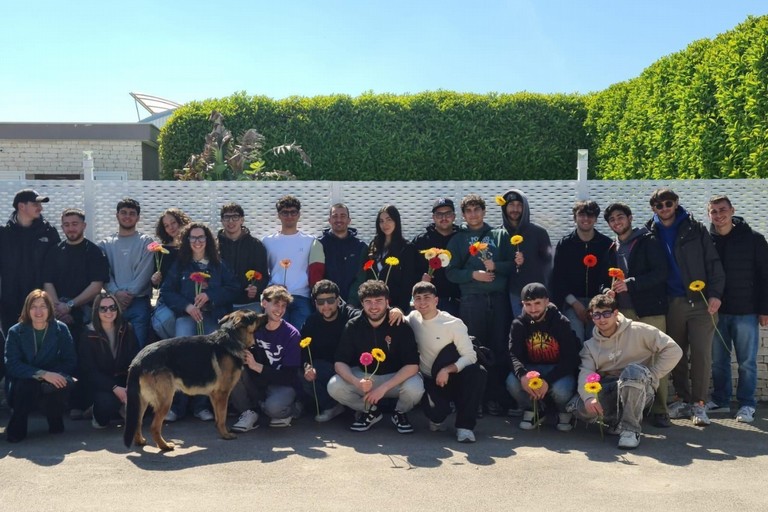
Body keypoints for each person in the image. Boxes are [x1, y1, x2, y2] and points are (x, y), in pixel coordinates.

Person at [645, 188, 725, 426]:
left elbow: (713, 262)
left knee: (701, 354)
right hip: (671, 302)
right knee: (676, 353)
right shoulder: (650, 232)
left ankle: (699, 405)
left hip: (700, 301)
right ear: (654, 209)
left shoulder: (695, 228)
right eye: (659, 205)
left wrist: (716, 295)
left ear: (676, 203)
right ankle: (682, 398)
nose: (664, 208)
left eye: (668, 203)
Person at [573, 294, 682, 449]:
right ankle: (616, 421)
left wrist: (653, 374)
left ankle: (631, 430)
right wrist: (589, 398)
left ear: (616, 313)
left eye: (606, 314)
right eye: (596, 315)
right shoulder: (590, 346)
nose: (602, 319)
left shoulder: (639, 330)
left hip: (640, 385)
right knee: (580, 408)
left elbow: (674, 350)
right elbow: (586, 373)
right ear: (591, 316)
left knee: (632, 371)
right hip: (611, 387)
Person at [160, 222, 240, 422]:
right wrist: (187, 306)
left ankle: (201, 406)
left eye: (201, 237)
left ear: (208, 240)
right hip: (186, 317)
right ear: (187, 240)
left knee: (209, 358)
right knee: (181, 355)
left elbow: (233, 288)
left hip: (211, 317)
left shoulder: (218, 265)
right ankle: (177, 407)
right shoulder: (180, 264)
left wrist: (210, 296)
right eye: (193, 238)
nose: (197, 242)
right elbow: (167, 291)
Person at [603, 202, 671, 427]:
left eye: (620, 217)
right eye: (612, 220)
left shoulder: (648, 240)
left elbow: (661, 272)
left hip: (650, 310)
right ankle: (634, 408)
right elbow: (607, 280)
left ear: (630, 218)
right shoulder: (613, 248)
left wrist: (631, 284)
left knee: (656, 358)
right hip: (624, 311)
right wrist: (607, 291)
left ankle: (660, 409)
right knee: (630, 360)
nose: (616, 222)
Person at [445, 194, 514, 416]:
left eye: (477, 209)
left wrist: (496, 267)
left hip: (498, 300)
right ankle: (475, 400)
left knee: (499, 348)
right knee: (474, 350)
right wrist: (473, 274)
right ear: (463, 215)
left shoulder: (500, 235)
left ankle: (495, 398)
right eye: (469, 210)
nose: (473, 214)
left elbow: (513, 266)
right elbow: (451, 272)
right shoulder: (458, 239)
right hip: (471, 301)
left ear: (484, 211)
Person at [328, 280, 424, 433]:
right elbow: (340, 362)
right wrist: (357, 382)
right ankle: (371, 411)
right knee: (334, 385)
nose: (373, 307)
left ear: (387, 302)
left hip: (394, 379)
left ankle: (400, 412)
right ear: (362, 304)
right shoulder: (353, 325)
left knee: (415, 387)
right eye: (368, 302)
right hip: (366, 379)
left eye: (378, 301)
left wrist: (384, 388)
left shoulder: (400, 324)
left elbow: (412, 365)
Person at [706, 195, 768, 424]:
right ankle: (721, 400)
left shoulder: (754, 239)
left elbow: (765, 276)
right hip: (716, 313)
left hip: (746, 311)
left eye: (722, 210)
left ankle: (747, 404)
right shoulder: (706, 240)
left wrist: (764, 309)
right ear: (708, 214)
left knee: (747, 362)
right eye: (714, 211)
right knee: (718, 361)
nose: (719, 215)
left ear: (732, 210)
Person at [42, 208, 109, 418]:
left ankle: (81, 403)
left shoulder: (94, 252)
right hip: (57, 309)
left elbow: (97, 285)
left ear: (84, 226)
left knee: (84, 351)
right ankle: (56, 403)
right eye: (67, 224)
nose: (71, 228)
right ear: (62, 227)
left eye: (75, 224)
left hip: (85, 309)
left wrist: (70, 305)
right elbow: (47, 282)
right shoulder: (54, 251)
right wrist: (58, 308)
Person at [406, 282, 486, 443]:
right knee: (436, 414)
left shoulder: (453, 323)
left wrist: (448, 370)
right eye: (418, 299)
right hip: (429, 378)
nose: (422, 303)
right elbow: (398, 317)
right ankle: (438, 417)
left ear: (436, 300)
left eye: (426, 298)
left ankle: (465, 427)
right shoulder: (412, 318)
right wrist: (394, 310)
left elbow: (470, 356)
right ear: (413, 302)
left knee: (477, 372)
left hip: (453, 374)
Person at [0, 189, 60, 380]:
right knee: (14, 346)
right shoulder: (3, 234)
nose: (40, 208)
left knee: (39, 345)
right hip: (9, 302)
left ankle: (41, 389)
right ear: (21, 206)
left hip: (39, 302)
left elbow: (55, 270)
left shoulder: (49, 232)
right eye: (36, 204)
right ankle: (14, 390)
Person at [4, 289, 77, 443]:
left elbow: (70, 360)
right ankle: (18, 427)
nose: (38, 311)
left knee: (58, 385)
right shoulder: (15, 332)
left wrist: (53, 376)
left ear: (49, 308)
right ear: (27, 309)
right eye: (33, 307)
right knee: (25, 385)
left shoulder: (61, 329)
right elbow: (12, 364)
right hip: (25, 381)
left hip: (53, 379)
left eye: (43, 306)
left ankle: (55, 418)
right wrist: (42, 374)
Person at [505, 283, 579, 431]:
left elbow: (571, 358)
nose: (533, 309)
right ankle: (535, 409)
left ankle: (564, 411)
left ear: (546, 301)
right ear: (523, 304)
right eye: (528, 304)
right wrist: (523, 375)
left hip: (558, 369)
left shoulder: (561, 322)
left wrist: (548, 381)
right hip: (531, 369)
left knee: (561, 391)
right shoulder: (518, 324)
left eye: (537, 303)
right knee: (512, 382)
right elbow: (513, 355)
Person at [230, 285, 303, 431]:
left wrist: (257, 366)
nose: (280, 309)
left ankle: (294, 409)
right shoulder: (253, 327)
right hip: (257, 382)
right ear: (264, 303)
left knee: (274, 409)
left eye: (283, 305)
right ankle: (248, 412)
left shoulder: (292, 334)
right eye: (276, 304)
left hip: (281, 384)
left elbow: (289, 376)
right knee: (231, 367)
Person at [551, 200, 612, 343]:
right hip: (572, 302)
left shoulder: (606, 244)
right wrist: (575, 303)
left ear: (596, 219)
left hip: (598, 303)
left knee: (597, 341)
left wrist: (598, 302)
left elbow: (607, 277)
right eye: (582, 215)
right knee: (574, 339)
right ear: (575, 218)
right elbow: (558, 277)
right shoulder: (565, 244)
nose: (586, 219)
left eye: (591, 215)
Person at [299, 280, 360, 422]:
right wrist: (307, 366)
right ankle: (332, 406)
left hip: (352, 368)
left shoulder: (351, 315)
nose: (326, 306)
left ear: (338, 300)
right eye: (320, 302)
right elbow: (303, 350)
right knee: (304, 374)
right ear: (315, 303)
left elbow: (370, 316)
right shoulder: (311, 322)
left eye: (330, 300)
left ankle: (360, 409)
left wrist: (394, 311)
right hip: (326, 369)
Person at [262, 195, 325, 330]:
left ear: (299, 214)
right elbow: (263, 271)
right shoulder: (267, 242)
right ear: (278, 215)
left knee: (300, 338)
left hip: (301, 297)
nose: (289, 216)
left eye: (293, 212)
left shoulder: (310, 241)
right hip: (276, 298)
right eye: (285, 212)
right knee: (276, 336)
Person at [99, 198, 155, 349]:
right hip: (111, 304)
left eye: (132, 213)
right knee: (111, 347)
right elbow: (104, 274)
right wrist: (116, 293)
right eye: (123, 212)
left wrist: (128, 294)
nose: (127, 216)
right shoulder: (105, 244)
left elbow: (146, 272)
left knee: (138, 348)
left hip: (138, 302)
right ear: (117, 215)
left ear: (138, 217)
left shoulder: (146, 242)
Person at [78, 293, 140, 429]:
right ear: (96, 311)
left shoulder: (127, 329)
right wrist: (114, 388)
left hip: (123, 380)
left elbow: (136, 360)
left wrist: (131, 385)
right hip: (100, 385)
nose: (109, 312)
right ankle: (94, 411)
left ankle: (123, 409)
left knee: (146, 400)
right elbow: (89, 371)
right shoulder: (88, 334)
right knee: (106, 404)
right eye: (103, 308)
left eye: (112, 308)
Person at [350, 205, 417, 312]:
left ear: (396, 221)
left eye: (389, 219)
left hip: (394, 307)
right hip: (373, 307)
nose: (385, 224)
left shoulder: (406, 248)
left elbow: (407, 283)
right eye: (381, 221)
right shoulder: (373, 245)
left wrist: (399, 309)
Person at [497, 189, 552, 318]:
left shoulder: (539, 233)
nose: (515, 209)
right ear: (505, 207)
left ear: (525, 208)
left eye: (519, 205)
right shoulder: (498, 234)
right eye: (511, 205)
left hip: (535, 296)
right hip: (506, 295)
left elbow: (549, 265)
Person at [411, 198, 461, 316]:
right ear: (433, 217)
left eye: (448, 214)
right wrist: (420, 279)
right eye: (439, 214)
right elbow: (410, 270)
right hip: (428, 302)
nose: (444, 218)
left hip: (457, 301)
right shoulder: (421, 240)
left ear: (454, 216)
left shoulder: (461, 238)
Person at [217, 202, 269, 311]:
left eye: (235, 217)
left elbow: (263, 275)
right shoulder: (213, 246)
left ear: (242, 220)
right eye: (227, 217)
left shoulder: (255, 245)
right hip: (221, 304)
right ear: (221, 220)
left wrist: (256, 288)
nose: (231, 221)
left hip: (248, 303)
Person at [150, 208, 192, 340]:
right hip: (169, 301)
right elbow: (157, 286)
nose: (171, 227)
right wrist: (154, 280)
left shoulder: (194, 246)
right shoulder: (161, 251)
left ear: (181, 221)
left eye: (173, 223)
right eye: (166, 226)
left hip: (190, 299)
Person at [318, 203, 367, 302]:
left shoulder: (360, 247)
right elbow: (317, 276)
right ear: (329, 220)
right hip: (327, 305)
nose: (339, 220)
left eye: (343, 216)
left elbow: (361, 278)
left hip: (353, 305)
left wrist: (352, 302)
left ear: (349, 220)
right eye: (335, 216)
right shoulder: (319, 244)